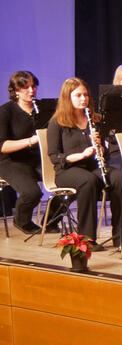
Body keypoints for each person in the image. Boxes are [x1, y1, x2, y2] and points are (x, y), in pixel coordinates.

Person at [47, 77, 122, 249]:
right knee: (88, 181)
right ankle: (86, 239)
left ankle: (120, 236)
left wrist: (100, 146)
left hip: (93, 167)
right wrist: (81, 155)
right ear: (67, 98)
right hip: (67, 170)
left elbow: (106, 152)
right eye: (78, 95)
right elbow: (55, 156)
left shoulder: (95, 119)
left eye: (85, 95)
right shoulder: (57, 123)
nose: (84, 99)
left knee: (119, 178)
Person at [0, 71, 57, 234]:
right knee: (32, 192)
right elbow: (2, 146)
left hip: (37, 158)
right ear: (15, 91)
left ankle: (51, 220)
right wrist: (31, 140)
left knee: (68, 182)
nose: (31, 91)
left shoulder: (42, 108)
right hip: (10, 161)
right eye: (26, 87)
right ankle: (21, 220)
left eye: (33, 86)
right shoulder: (5, 112)